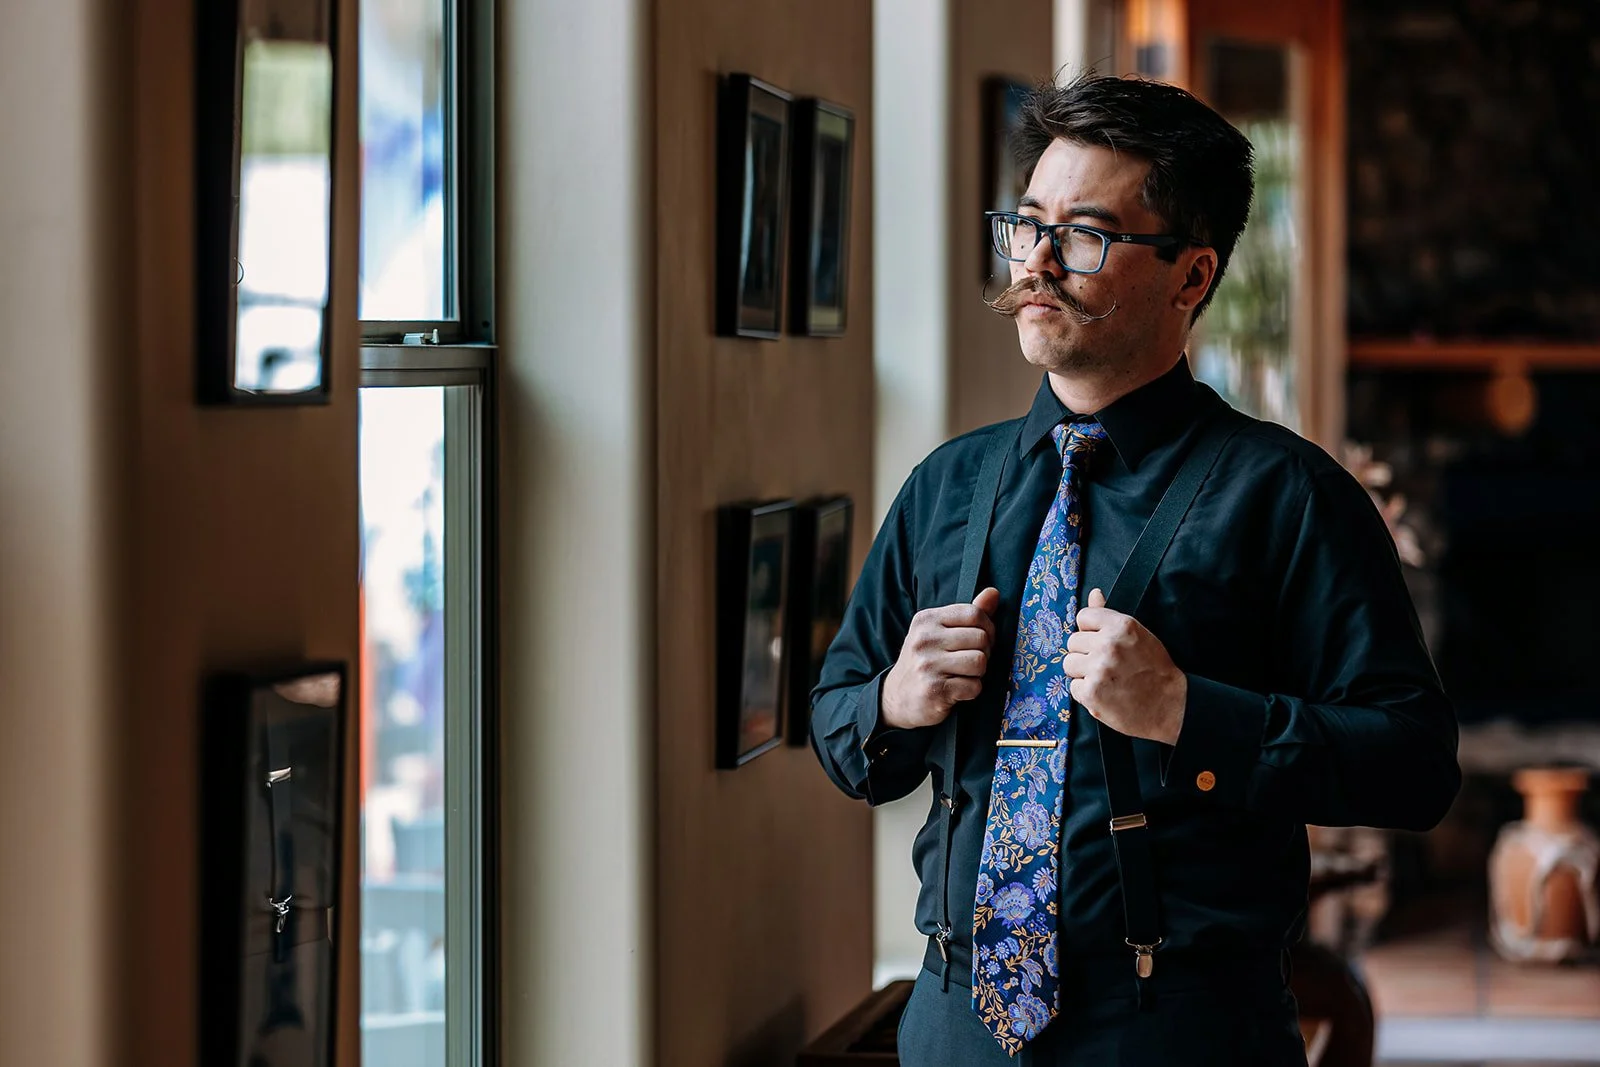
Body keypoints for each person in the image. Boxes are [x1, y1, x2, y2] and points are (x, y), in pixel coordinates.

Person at [809, 74, 1460, 1066]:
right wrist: (892, 700)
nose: (1036, 261)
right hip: (953, 1028)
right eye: (1025, 224)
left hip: (1182, 1033)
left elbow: (1413, 765)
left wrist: (1188, 712)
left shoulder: (1289, 495)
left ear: (1190, 277)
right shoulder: (946, 485)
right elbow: (836, 725)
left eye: (1084, 234)